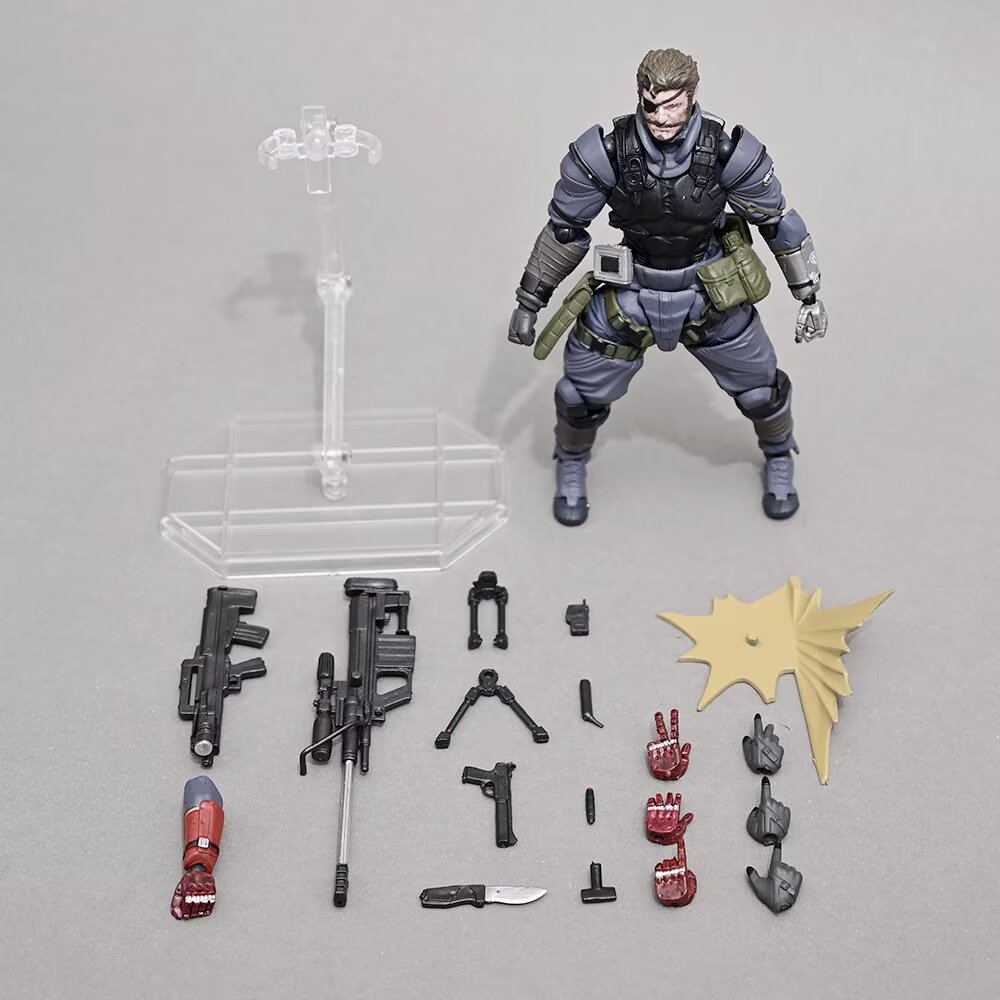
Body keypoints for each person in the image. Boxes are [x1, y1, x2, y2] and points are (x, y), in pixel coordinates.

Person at [508, 48, 828, 525]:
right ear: (639, 94)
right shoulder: (606, 153)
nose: (660, 117)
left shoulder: (728, 153)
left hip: (710, 293)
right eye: (651, 103)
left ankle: (779, 454)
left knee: (761, 390)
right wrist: (530, 300)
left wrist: (808, 295)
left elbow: (777, 221)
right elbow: (564, 231)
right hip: (630, 293)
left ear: (692, 97)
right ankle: (571, 461)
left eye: (672, 105)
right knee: (579, 395)